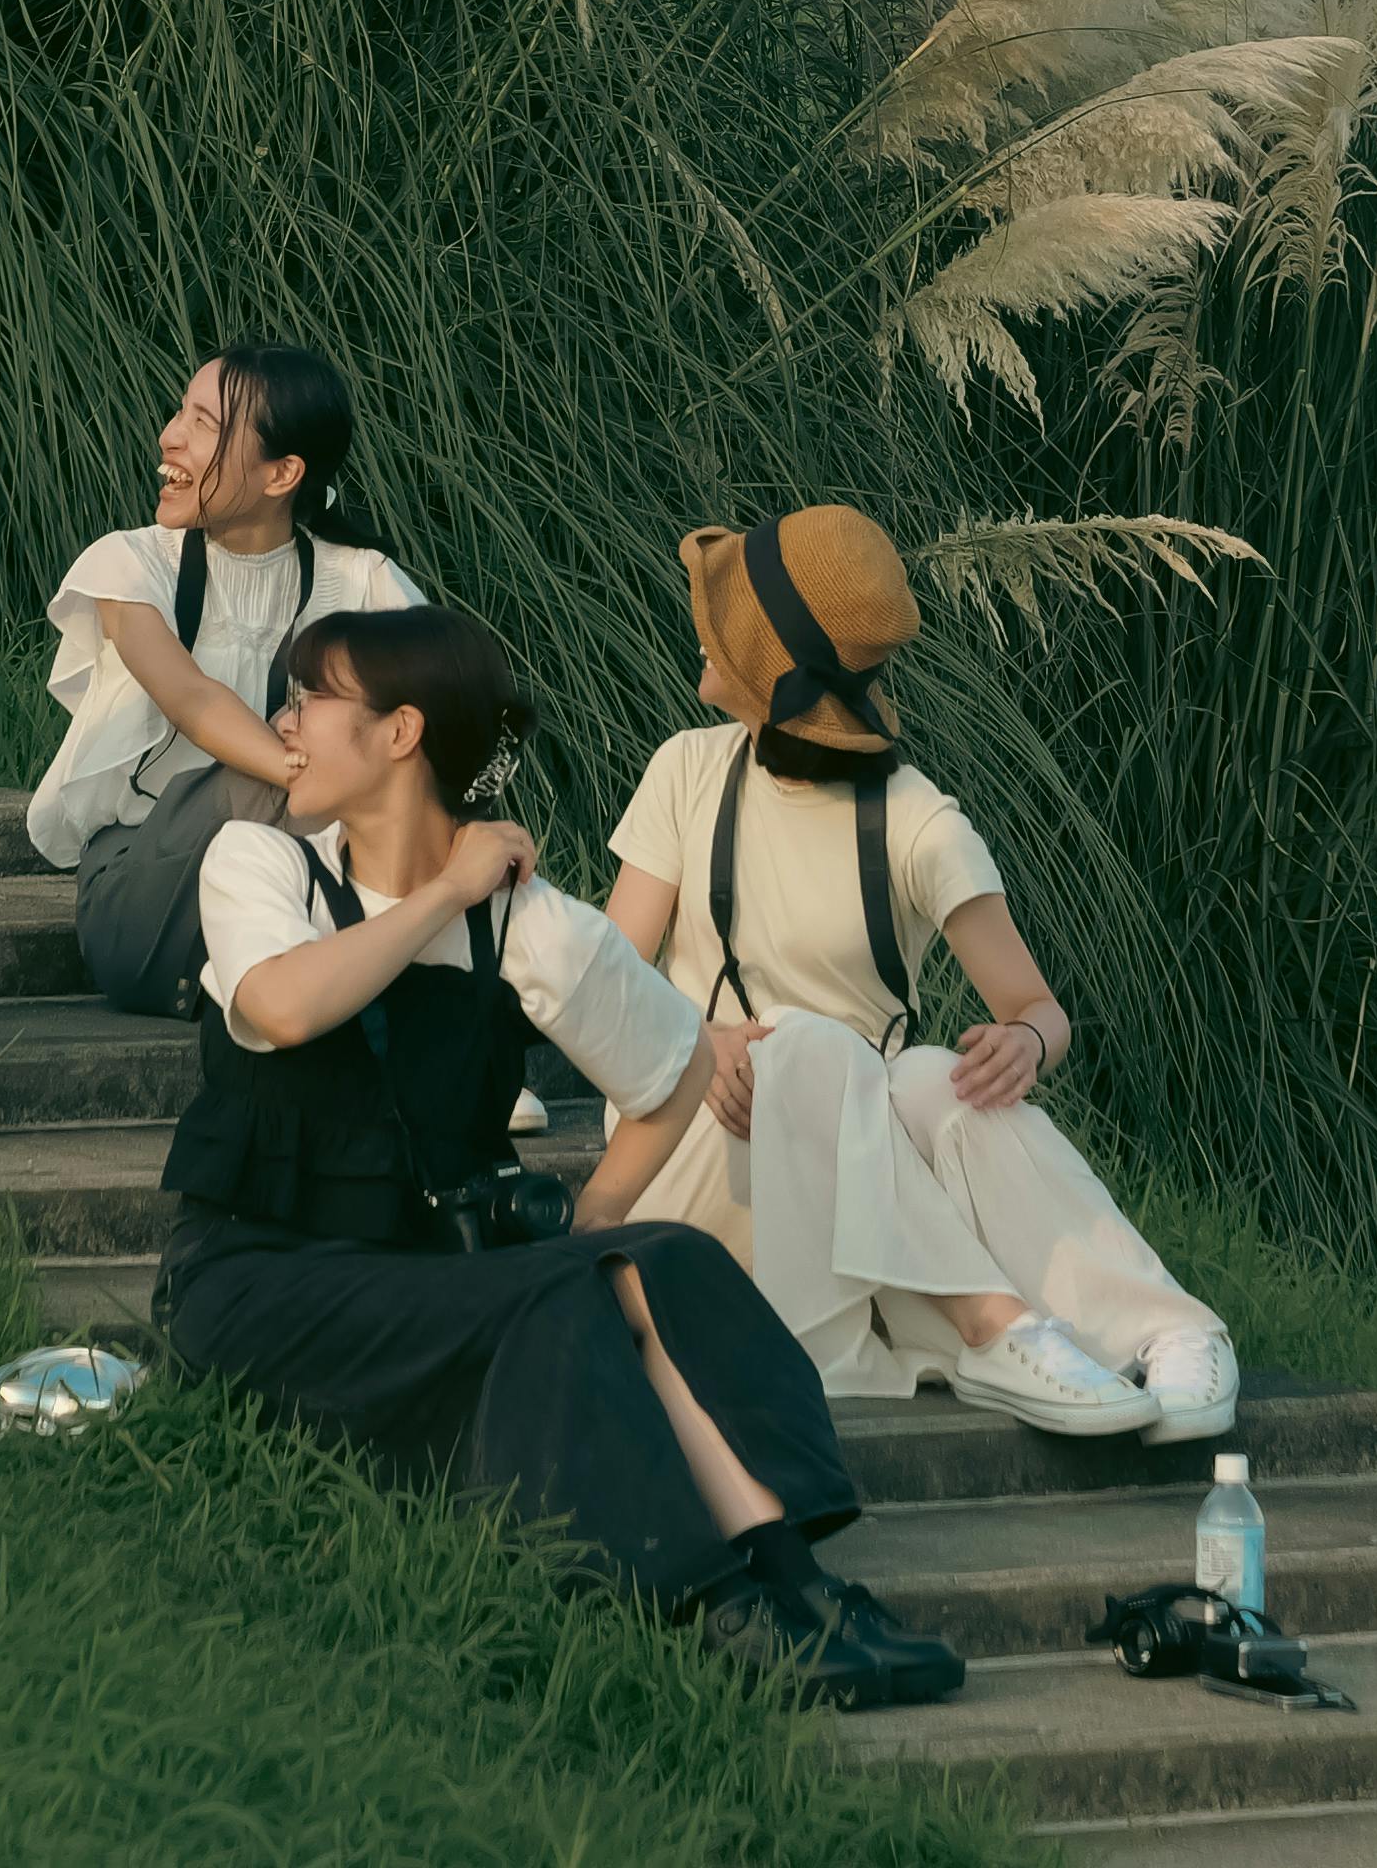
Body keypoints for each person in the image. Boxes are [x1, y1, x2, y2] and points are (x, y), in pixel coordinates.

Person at [165, 604, 962, 1712]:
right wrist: (446, 888)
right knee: (573, 1305)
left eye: (309, 698)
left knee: (662, 1256)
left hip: (432, 1276)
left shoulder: (526, 925)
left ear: (399, 732)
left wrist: (601, 1205)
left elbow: (676, 1066)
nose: (284, 723)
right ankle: (716, 1600)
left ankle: (788, 1577)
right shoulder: (261, 864)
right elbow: (283, 1005)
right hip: (258, 1276)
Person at [596, 505, 1239, 1442]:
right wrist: (700, 1040)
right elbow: (610, 987)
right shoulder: (686, 772)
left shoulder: (916, 820)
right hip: (696, 1137)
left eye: (727, 626)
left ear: (771, 673)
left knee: (943, 1079)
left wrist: (1023, 1042)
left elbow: (1037, 1010)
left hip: (861, 1182)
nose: (704, 632)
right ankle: (999, 1325)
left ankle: (1172, 1332)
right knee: (811, 1047)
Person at [26, 344, 423, 1016]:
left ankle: (438, 1012)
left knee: (408, 760)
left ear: (282, 473)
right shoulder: (129, 567)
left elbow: (444, 707)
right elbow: (195, 701)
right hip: (146, 896)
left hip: (298, 883)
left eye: (204, 423)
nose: (170, 436)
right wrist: (316, 776)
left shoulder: (358, 579)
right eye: (181, 412)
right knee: (264, 782)